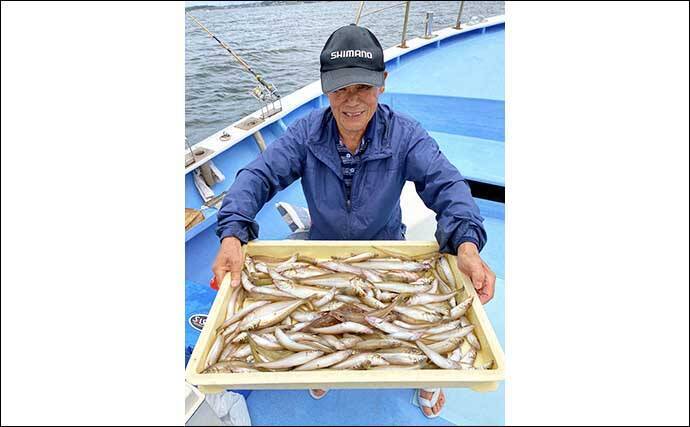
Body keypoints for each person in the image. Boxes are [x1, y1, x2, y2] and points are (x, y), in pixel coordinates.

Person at [212, 23, 496, 419]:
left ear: (382, 83)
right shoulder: (306, 133)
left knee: (412, 325)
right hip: (324, 253)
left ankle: (429, 377)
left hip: (388, 253)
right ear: (326, 88)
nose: (351, 101)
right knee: (314, 323)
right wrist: (232, 233)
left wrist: (466, 245)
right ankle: (316, 359)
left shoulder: (404, 135)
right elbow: (258, 176)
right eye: (341, 88)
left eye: (362, 87)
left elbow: (447, 185)